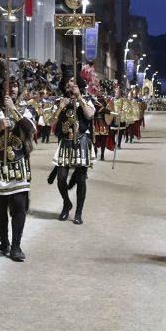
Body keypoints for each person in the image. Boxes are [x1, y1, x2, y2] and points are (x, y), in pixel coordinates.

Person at [0, 64, 35, 261]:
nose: (12, 89)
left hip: (18, 162)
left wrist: (14, 111)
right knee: (0, 206)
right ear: (0, 88)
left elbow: (30, 130)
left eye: (15, 85)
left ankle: (16, 246)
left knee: (19, 205)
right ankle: (4, 242)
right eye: (8, 85)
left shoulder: (26, 109)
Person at [49, 64, 96, 225]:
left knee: (81, 179)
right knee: (61, 178)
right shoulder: (59, 100)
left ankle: (78, 212)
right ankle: (66, 203)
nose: (69, 83)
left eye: (72, 81)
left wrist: (80, 98)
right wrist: (60, 108)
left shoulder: (88, 99)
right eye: (67, 81)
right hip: (65, 142)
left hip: (82, 140)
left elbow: (89, 116)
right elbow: (51, 122)